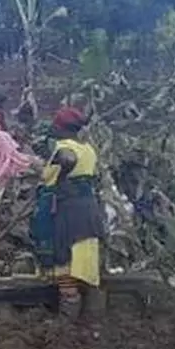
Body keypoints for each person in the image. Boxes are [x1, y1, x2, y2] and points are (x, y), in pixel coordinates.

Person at [32, 107, 104, 316]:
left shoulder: (63, 147)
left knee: (65, 262)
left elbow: (60, 167)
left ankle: (67, 320)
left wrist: (39, 166)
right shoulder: (88, 149)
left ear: (60, 127)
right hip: (88, 209)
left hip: (68, 211)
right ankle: (91, 315)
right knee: (84, 259)